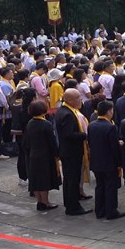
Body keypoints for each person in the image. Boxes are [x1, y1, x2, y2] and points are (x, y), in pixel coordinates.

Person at [54, 85, 91, 215]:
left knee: (71, 179)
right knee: (72, 179)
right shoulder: (67, 114)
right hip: (71, 152)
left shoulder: (66, 110)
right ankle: (73, 206)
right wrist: (85, 134)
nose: (79, 100)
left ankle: (72, 202)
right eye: (77, 98)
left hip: (70, 151)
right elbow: (68, 134)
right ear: (69, 100)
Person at [87, 100, 124, 220]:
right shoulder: (110, 127)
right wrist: (119, 162)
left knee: (100, 186)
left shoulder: (92, 125)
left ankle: (100, 210)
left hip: (97, 161)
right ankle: (111, 211)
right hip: (109, 162)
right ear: (109, 112)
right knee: (110, 187)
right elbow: (114, 147)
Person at [22, 99, 60, 212]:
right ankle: (45, 202)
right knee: (44, 179)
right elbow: (52, 141)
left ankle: (39, 201)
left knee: (36, 179)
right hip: (45, 155)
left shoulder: (30, 123)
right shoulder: (46, 124)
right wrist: (57, 154)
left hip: (33, 153)